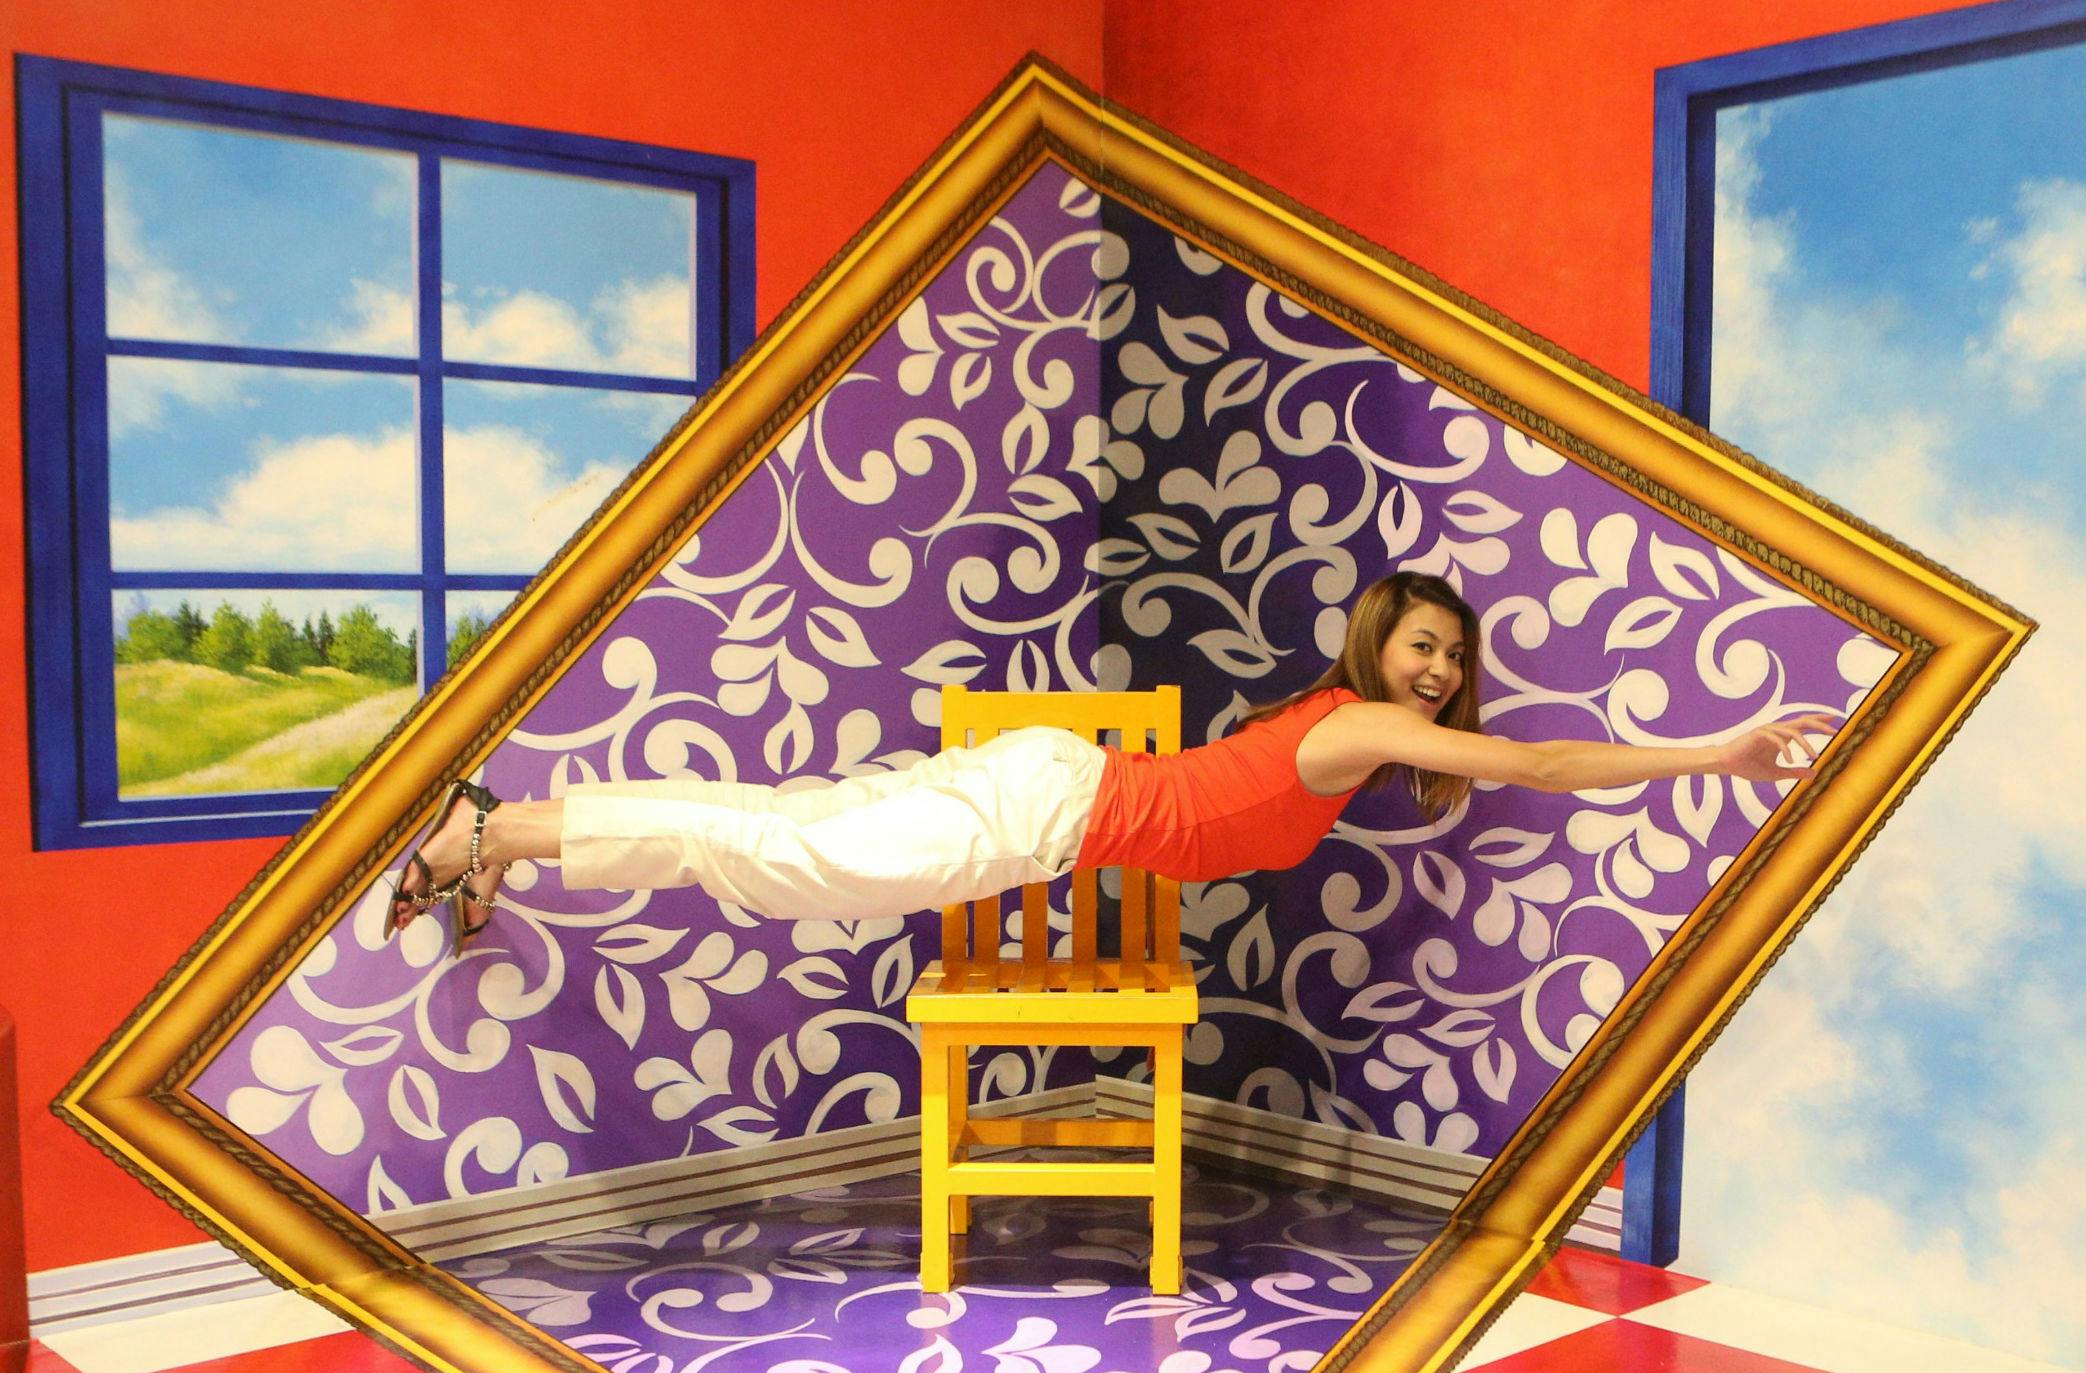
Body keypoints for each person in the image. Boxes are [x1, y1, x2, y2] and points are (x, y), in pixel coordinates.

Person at [385, 571, 1834, 948]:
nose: (1440, 672)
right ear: (1376, 645)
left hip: (1046, 782)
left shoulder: (1337, 733)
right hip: (1047, 799)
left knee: (773, 839)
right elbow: (1539, 762)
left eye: (1452, 655)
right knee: (783, 862)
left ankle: (499, 840)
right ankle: (492, 827)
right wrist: (1715, 745)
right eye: (1422, 646)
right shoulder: (1357, 722)